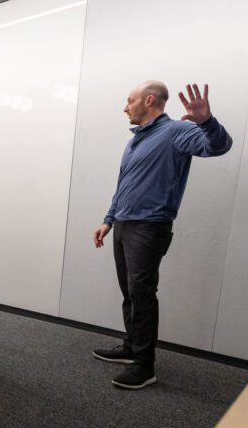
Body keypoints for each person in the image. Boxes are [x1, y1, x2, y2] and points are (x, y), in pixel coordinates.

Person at [92, 82, 232, 390]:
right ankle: (131, 347)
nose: (125, 107)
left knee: (142, 293)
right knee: (129, 291)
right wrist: (109, 219)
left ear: (149, 100)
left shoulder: (177, 132)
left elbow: (218, 146)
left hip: (149, 226)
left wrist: (206, 122)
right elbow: (124, 184)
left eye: (129, 101)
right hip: (125, 224)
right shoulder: (135, 141)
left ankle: (145, 365)